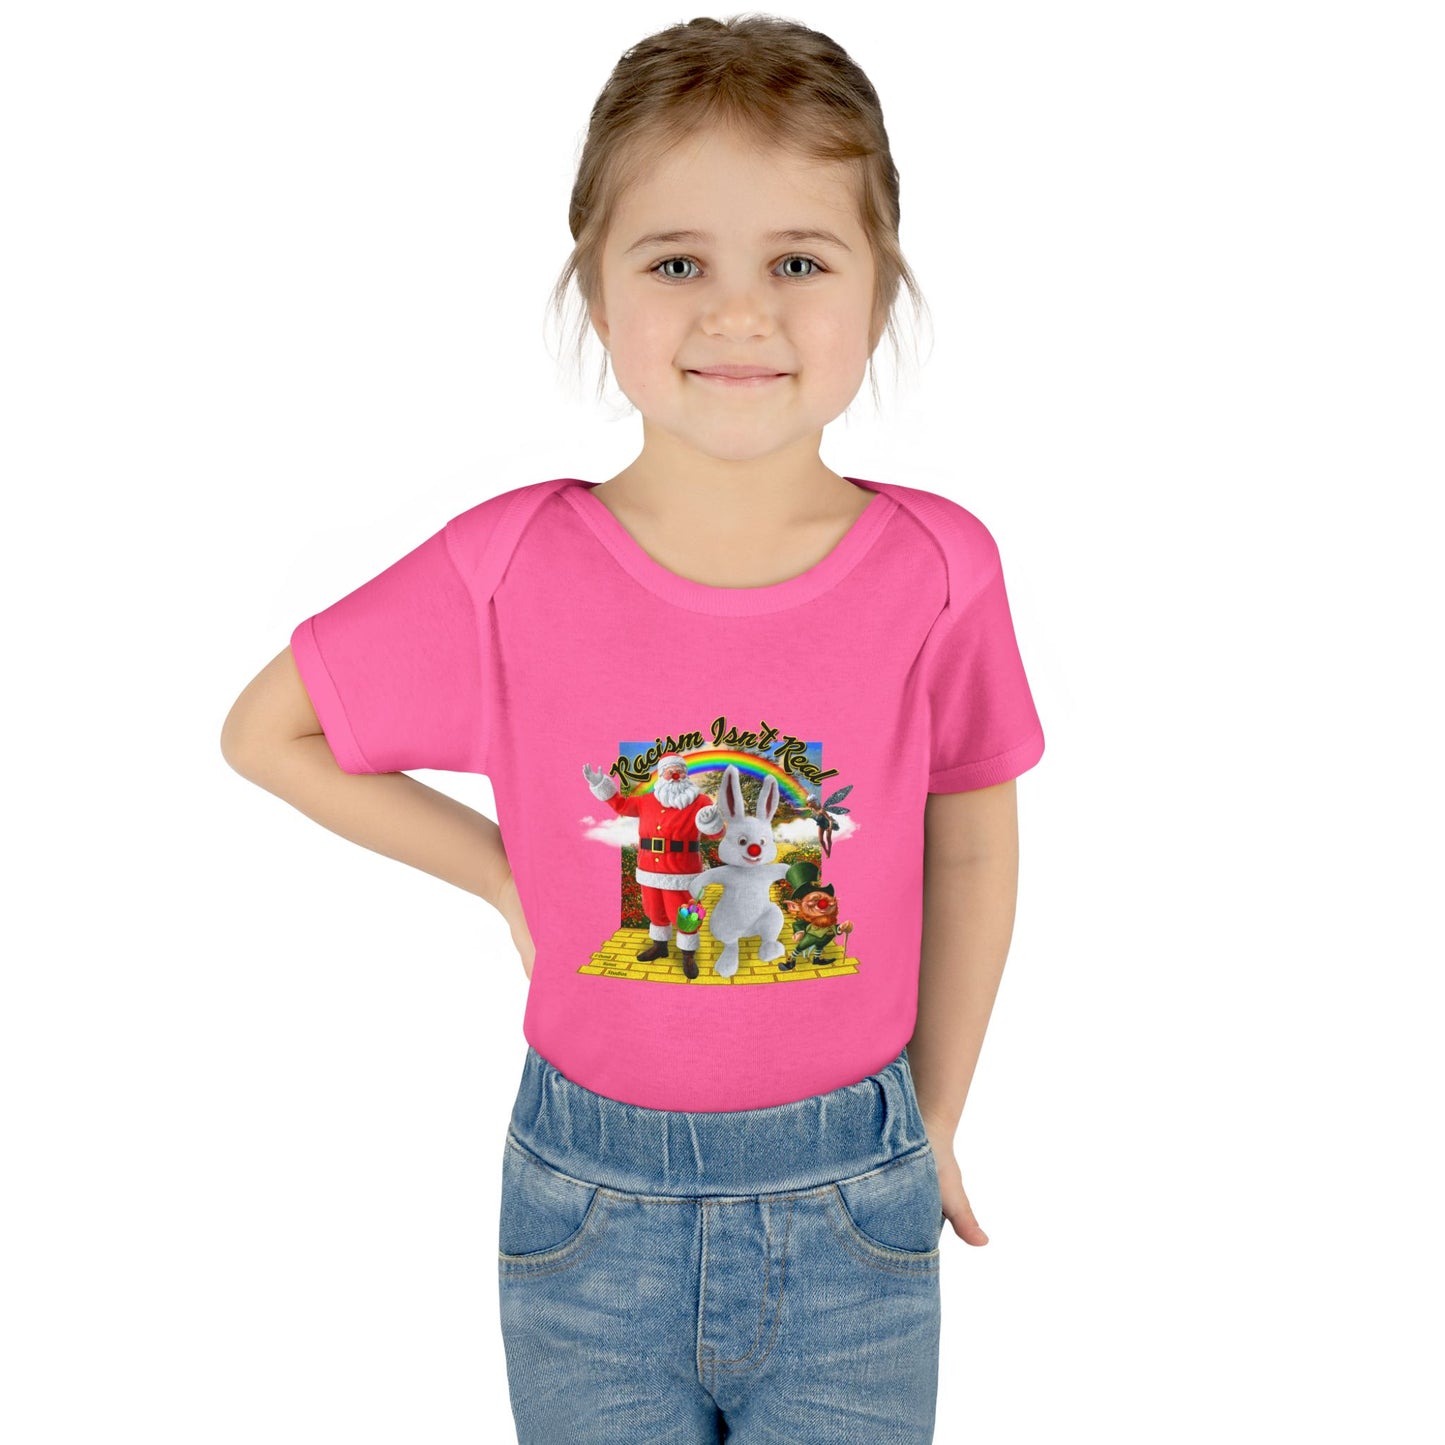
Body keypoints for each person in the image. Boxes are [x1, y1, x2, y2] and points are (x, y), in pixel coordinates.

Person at [221, 14, 1045, 1443]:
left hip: (857, 1195)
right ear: (597, 297)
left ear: (880, 287)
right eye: (677, 265)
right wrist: (503, 876)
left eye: (798, 261)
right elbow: (267, 732)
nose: (739, 315)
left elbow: (967, 838)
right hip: (585, 1215)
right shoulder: (509, 566)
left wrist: (935, 1118)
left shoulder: (939, 568)